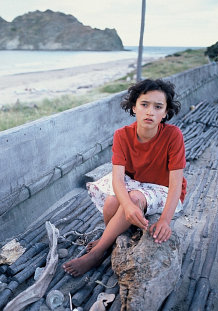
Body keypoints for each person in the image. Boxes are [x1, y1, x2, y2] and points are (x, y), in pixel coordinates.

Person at [63, 78, 187, 277]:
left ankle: (97, 253)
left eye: (158, 107)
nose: (150, 112)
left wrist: (165, 220)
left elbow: (175, 184)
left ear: (165, 113)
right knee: (113, 202)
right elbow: (118, 179)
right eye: (144, 105)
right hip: (134, 182)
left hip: (161, 188)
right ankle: (110, 239)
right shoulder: (122, 135)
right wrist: (127, 206)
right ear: (134, 107)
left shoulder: (173, 135)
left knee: (135, 198)